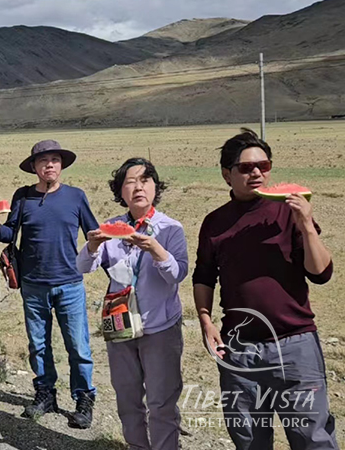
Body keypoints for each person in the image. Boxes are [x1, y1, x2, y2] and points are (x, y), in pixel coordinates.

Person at [193, 129, 336, 449]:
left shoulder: (288, 212)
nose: (257, 172)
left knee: (312, 438)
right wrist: (205, 319)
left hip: (296, 345)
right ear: (227, 174)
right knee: (249, 440)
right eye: (246, 167)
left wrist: (306, 225)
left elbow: (321, 273)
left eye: (264, 165)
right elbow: (204, 275)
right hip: (240, 351)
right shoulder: (214, 223)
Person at [0, 139, 99, 429]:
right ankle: (45, 394)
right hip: (33, 285)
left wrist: (103, 245)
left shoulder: (76, 197)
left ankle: (83, 399)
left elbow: (93, 234)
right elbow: (10, 233)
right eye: (43, 160)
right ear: (34, 166)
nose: (49, 165)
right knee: (38, 345)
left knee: (78, 346)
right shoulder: (23, 197)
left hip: (70, 283)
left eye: (55, 160)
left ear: (61, 165)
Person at [77, 158, 188, 450]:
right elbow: (83, 267)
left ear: (155, 188)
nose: (138, 187)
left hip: (160, 327)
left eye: (145, 180)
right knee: (127, 400)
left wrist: (156, 250)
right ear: (121, 192)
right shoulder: (111, 228)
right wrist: (92, 245)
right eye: (130, 182)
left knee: (162, 402)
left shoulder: (171, 229)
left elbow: (178, 274)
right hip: (120, 325)